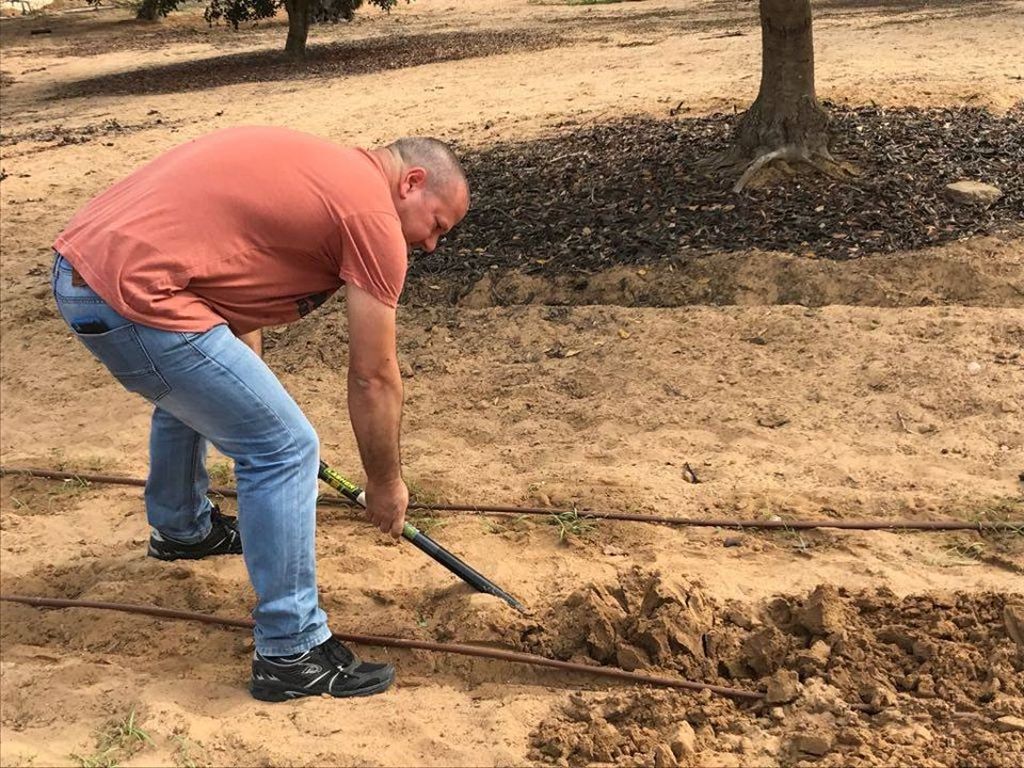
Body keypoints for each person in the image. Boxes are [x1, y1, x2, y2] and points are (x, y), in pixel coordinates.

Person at [50, 126, 470, 702]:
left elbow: (232, 277)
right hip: (134, 293)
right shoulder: (373, 217)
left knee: (197, 397)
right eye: (437, 226)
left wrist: (244, 397)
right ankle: (291, 652)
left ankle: (182, 531)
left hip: (83, 270)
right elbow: (373, 375)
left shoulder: (325, 168)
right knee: (285, 449)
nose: (430, 247)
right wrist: (385, 482)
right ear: (412, 183)